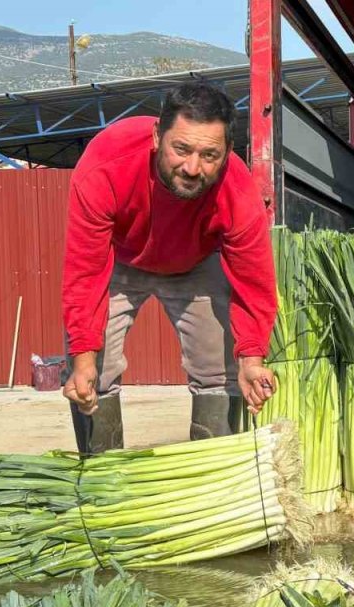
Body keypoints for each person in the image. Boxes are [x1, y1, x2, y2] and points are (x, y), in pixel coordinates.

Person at [61, 82, 277, 454]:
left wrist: (252, 358)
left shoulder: (237, 191)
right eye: (181, 149)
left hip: (195, 263)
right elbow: (85, 272)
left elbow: (253, 282)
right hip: (121, 259)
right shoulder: (106, 162)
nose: (193, 168)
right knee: (94, 368)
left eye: (210, 155)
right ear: (157, 136)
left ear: (228, 152)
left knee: (219, 368)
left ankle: (210, 480)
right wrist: (82, 358)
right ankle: (102, 482)